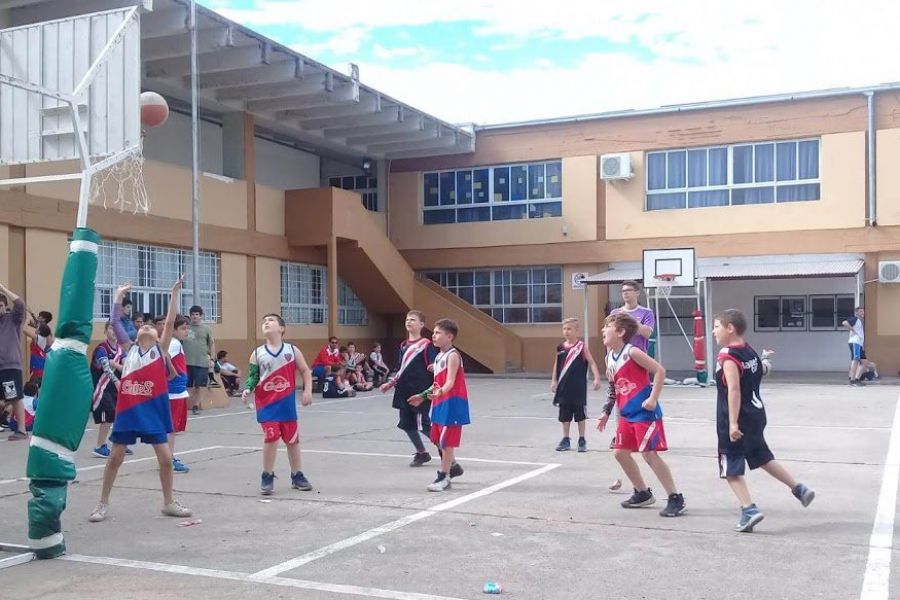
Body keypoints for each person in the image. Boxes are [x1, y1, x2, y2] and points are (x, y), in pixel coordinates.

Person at [88, 277, 192, 523]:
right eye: (142, 325)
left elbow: (169, 321)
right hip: (129, 411)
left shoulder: (161, 350)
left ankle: (168, 502)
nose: (145, 326)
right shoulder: (129, 348)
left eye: (150, 326)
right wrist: (118, 295)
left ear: (158, 336)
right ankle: (102, 503)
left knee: (166, 459)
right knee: (115, 458)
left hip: (154, 412)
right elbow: (114, 320)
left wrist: (174, 294)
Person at [712, 309, 814, 532]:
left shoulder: (727, 355)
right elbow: (762, 369)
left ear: (730, 328)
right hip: (756, 414)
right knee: (762, 455)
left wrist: (732, 423)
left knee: (731, 468)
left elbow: (734, 390)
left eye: (717, 326)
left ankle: (748, 510)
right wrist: (765, 358)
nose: (713, 331)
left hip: (738, 418)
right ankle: (798, 488)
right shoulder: (749, 351)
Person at [597, 312, 686, 518]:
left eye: (607, 326)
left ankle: (675, 497)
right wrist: (605, 412)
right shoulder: (609, 356)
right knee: (620, 453)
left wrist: (653, 398)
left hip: (644, 413)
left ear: (620, 332)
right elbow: (614, 387)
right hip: (626, 415)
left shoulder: (633, 352)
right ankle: (642, 493)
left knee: (649, 454)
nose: (603, 330)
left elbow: (660, 370)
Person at [241, 314, 314, 495]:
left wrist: (307, 391)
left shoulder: (292, 350)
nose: (266, 322)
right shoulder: (257, 353)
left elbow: (305, 370)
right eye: (264, 321)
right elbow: (253, 376)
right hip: (266, 403)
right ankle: (267, 474)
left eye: (271, 320)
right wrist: (248, 389)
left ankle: (297, 474)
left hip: (286, 403)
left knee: (292, 440)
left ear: (281, 328)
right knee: (271, 437)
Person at [409, 318, 469, 492]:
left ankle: (444, 476)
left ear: (449, 336)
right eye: (433, 332)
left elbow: (450, 381)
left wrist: (441, 392)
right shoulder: (438, 357)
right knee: (438, 439)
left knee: (447, 441)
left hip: (452, 403)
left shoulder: (453, 355)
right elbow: (437, 382)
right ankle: (451, 469)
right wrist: (423, 396)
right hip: (439, 402)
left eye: (437, 333)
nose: (433, 336)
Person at [380, 310, 438, 467]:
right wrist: (390, 383)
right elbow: (400, 368)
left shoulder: (426, 345)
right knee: (406, 424)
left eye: (413, 319)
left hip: (420, 391)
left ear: (421, 324)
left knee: (423, 425)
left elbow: (433, 365)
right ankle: (422, 453)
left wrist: (436, 369)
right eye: (407, 319)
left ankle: (445, 449)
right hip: (404, 391)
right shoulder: (404, 345)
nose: (409, 322)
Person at [550, 318, 602, 452]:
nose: (566, 331)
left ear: (576, 330)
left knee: (580, 415)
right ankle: (565, 439)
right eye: (564, 329)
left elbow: (591, 362)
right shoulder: (560, 348)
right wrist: (554, 380)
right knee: (564, 414)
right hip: (564, 388)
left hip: (578, 388)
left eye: (569, 329)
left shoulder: (581, 347)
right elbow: (557, 364)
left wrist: (596, 378)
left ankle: (582, 439)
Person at [90, 322, 124, 458]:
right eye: (111, 328)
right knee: (108, 415)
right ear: (105, 331)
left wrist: (116, 364)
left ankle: (118, 442)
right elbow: (105, 366)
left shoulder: (121, 350)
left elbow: (126, 366)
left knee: (118, 414)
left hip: (112, 389)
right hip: (101, 388)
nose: (114, 331)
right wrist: (116, 381)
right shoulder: (101, 349)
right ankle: (99, 446)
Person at [0, 282, 28, 441]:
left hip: (11, 366)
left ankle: (22, 430)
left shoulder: (13, 318)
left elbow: (20, 304)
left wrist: (3, 289)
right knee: (4, 400)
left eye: (1, 305)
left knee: (15, 397)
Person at [167, 314, 191, 473]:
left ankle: (167, 458)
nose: (186, 331)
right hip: (173, 392)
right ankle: (168, 460)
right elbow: (164, 356)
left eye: (187, 328)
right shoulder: (173, 343)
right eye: (183, 328)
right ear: (173, 330)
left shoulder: (176, 343)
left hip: (177, 390)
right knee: (171, 429)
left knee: (172, 429)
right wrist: (173, 373)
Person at [184, 305, 215, 415]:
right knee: (188, 385)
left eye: (197, 314)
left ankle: (196, 405)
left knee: (200, 385)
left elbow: (211, 344)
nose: (195, 316)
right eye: (193, 314)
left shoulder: (206, 329)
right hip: (186, 361)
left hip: (202, 361)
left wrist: (212, 359)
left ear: (201, 316)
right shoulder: (186, 327)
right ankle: (188, 403)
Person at [611, 281, 656, 353]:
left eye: (628, 290)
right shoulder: (615, 313)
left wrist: (629, 319)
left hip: (639, 353)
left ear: (637, 293)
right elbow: (610, 335)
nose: (625, 293)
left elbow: (648, 334)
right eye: (623, 291)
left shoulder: (647, 312)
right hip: (620, 354)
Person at [23, 310, 54, 380]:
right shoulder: (45, 330)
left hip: (39, 364)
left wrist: (27, 320)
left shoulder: (42, 335)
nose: (37, 317)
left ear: (44, 319)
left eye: (39, 316)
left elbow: (25, 329)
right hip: (38, 363)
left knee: (33, 387)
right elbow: (35, 325)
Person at [842, 307, 867, 386]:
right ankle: (852, 381)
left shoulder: (859, 321)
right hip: (855, 343)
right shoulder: (855, 319)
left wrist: (862, 345)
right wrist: (852, 329)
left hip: (859, 344)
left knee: (864, 362)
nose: (862, 312)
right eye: (860, 311)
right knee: (855, 360)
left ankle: (857, 379)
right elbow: (844, 322)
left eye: (863, 311)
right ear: (856, 313)